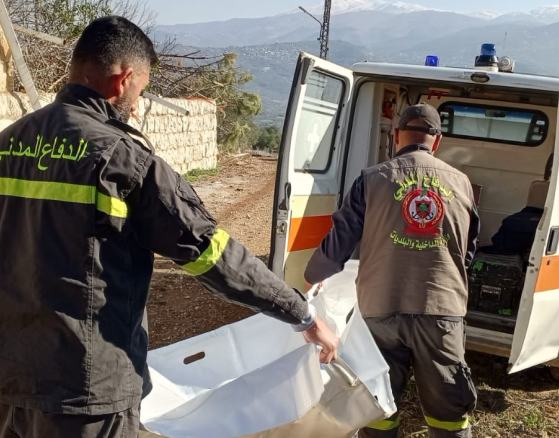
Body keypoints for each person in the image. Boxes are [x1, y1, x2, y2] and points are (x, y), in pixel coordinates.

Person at [0, 16, 337, 438]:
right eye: (141, 91)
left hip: (10, 379)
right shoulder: (125, 160)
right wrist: (303, 314)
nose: (137, 106)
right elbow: (212, 254)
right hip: (85, 391)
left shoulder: (9, 142)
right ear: (123, 80)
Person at [305, 103, 480, 438]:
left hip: (380, 308)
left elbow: (339, 242)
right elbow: (467, 251)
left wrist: (314, 276)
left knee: (378, 399)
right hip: (441, 310)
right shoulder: (462, 183)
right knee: (448, 409)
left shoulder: (372, 179)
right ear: (437, 140)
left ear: (396, 135)